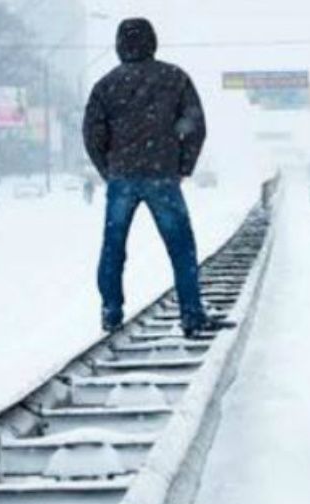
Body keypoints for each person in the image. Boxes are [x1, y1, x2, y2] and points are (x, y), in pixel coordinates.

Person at [83, 18, 231, 338]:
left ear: (120, 45)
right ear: (152, 42)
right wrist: (182, 166)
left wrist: (109, 170)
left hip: (122, 176)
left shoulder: (105, 86)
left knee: (113, 247)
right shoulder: (174, 78)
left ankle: (111, 311)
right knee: (181, 247)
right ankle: (191, 314)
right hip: (162, 175)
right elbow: (195, 124)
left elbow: (92, 134)